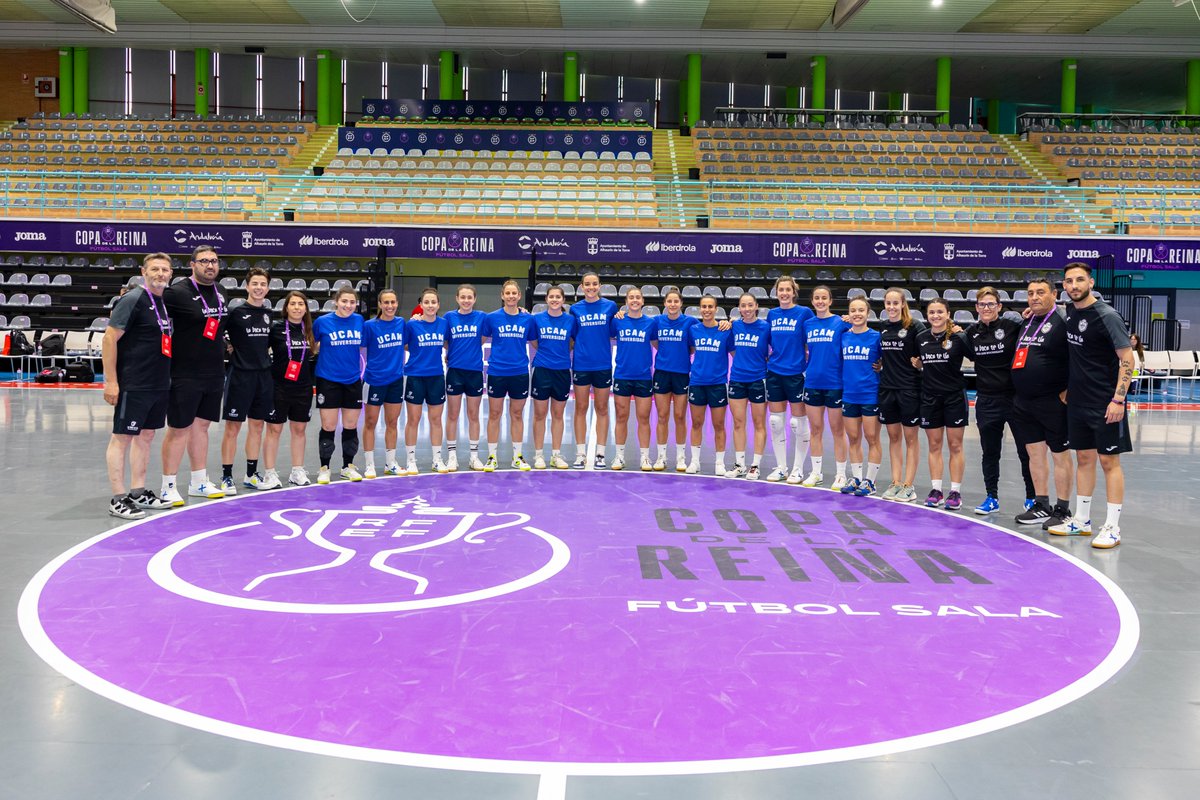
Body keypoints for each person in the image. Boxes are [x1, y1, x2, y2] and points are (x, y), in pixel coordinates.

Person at [1049, 262, 1134, 549]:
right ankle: (1082, 520)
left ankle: (1112, 526)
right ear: (1064, 285)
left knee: (1109, 462)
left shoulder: (1107, 315)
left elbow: (1127, 359)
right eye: (1069, 281)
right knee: (1084, 459)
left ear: (1091, 282)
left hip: (1106, 403)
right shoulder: (1071, 311)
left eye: (1080, 280)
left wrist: (1118, 399)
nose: (1074, 285)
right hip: (1078, 402)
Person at [101, 252, 175, 519]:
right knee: (122, 438)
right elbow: (110, 339)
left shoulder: (163, 303)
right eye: (155, 269)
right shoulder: (132, 299)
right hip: (134, 383)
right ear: (144, 272)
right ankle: (118, 498)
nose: (160, 274)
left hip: (158, 383)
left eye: (165, 270)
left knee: (146, 437)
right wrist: (111, 381)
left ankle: (138, 491)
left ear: (170, 274)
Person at [159, 246, 228, 506]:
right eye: (203, 261)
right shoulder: (177, 292)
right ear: (192, 264)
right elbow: (152, 310)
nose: (209, 266)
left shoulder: (221, 291)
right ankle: (168, 486)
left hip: (214, 370)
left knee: (202, 427)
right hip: (185, 372)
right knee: (179, 429)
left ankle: (199, 481)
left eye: (213, 261)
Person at [964, 286, 1035, 515]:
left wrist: (1030, 313)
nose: (986, 308)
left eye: (991, 304)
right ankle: (991, 497)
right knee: (990, 452)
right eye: (982, 305)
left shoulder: (1012, 326)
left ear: (999, 307)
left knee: (1026, 451)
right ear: (976, 307)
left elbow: (1037, 325)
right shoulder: (971, 333)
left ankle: (1032, 498)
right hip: (987, 400)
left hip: (1015, 398)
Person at [1010, 276, 1074, 529]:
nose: (1034, 297)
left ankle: (1063, 509)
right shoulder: (1027, 321)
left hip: (1052, 401)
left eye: (1040, 292)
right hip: (1024, 402)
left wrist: (1068, 391)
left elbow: (1078, 358)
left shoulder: (1063, 321)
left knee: (1060, 455)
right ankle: (1041, 504)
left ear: (1054, 294)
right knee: (1034, 454)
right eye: (1030, 293)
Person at [218, 266, 275, 494]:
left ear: (268, 288)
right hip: (239, 375)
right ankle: (226, 476)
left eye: (263, 284)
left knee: (257, 427)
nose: (259, 288)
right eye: (255, 284)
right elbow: (216, 333)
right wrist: (227, 349)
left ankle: (251, 474)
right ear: (247, 286)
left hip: (263, 377)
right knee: (232, 427)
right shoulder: (235, 312)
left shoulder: (269, 315)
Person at [912, 298, 970, 510]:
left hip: (954, 397)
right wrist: (918, 364)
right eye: (932, 312)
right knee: (934, 445)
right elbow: (915, 361)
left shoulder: (958, 336)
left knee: (955, 445)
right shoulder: (921, 338)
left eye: (940, 312)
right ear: (927, 316)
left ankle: (955, 492)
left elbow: (975, 356)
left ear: (948, 314)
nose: (935, 316)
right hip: (930, 398)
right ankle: (936, 489)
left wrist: (961, 333)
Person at [261, 290, 316, 488]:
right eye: (293, 304)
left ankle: (297, 470)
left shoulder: (309, 330)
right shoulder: (275, 328)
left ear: (305, 309)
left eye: (301, 304)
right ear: (286, 308)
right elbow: (259, 349)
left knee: (299, 429)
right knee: (274, 429)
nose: (297, 308)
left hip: (303, 387)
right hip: (279, 386)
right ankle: (269, 473)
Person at [877, 288, 925, 503]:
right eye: (888, 303)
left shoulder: (915, 327)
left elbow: (931, 348)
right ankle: (895, 482)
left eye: (896, 303)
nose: (892, 307)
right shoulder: (884, 328)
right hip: (888, 388)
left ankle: (909, 485)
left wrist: (921, 364)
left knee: (911, 438)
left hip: (909, 389)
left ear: (903, 304)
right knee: (894, 438)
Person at [765, 275, 814, 483]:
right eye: (780, 290)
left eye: (788, 289)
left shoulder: (804, 313)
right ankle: (781, 467)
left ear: (794, 292)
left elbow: (813, 337)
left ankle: (798, 468)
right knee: (776, 422)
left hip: (796, 373)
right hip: (775, 372)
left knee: (798, 423)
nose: (784, 293)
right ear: (776, 293)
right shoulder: (771, 314)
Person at [482, 280, 536, 471]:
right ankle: (491, 457)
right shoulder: (492, 318)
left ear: (519, 296)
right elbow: (478, 342)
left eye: (514, 293)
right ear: (502, 295)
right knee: (494, 414)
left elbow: (537, 344)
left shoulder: (527, 319)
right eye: (508, 293)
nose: (511, 296)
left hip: (520, 372)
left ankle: (517, 456)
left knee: (517, 414)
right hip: (497, 372)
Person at [312, 287, 364, 484]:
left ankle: (347, 466)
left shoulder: (359, 321)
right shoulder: (322, 322)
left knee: (350, 426)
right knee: (328, 425)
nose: (348, 306)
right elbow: (313, 345)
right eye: (344, 301)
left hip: (352, 380)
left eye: (352, 302)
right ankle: (324, 467)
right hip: (328, 379)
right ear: (336, 301)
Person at [800, 285, 850, 489]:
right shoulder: (807, 324)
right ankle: (816, 472)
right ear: (812, 302)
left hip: (835, 383)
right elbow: (804, 348)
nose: (820, 301)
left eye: (824, 298)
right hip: (812, 382)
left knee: (838, 431)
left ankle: (840, 474)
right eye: (817, 298)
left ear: (830, 301)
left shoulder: (840, 323)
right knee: (815, 430)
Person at [570, 272, 618, 469]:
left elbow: (615, 329)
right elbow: (572, 336)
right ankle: (580, 453)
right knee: (581, 408)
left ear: (600, 286)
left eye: (594, 284)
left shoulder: (610, 307)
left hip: (603, 365)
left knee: (602, 408)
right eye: (587, 284)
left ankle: (600, 453)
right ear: (582, 287)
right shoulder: (575, 309)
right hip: (581, 364)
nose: (591, 287)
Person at [839, 297, 883, 497]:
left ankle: (870, 481)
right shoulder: (844, 337)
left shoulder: (876, 337)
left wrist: (881, 365)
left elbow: (887, 360)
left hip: (870, 394)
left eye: (861, 310)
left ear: (868, 313)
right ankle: (856, 478)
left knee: (872, 437)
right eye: (853, 310)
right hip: (849, 394)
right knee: (853, 438)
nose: (857, 314)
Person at [403, 288, 450, 475]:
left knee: (436, 419)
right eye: (427, 302)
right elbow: (405, 344)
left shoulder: (444, 324)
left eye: (434, 302)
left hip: (436, 376)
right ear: (421, 305)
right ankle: (411, 460)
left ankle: (437, 459)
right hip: (415, 376)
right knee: (413, 419)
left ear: (438, 305)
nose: (430, 306)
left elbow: (448, 343)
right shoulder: (411, 325)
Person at [530, 284, 577, 469]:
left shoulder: (570, 321)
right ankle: (539, 455)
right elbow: (534, 342)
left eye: (558, 297)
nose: (555, 300)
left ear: (563, 300)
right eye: (552, 297)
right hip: (542, 370)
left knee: (558, 415)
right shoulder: (537, 320)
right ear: (546, 299)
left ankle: (556, 455)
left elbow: (573, 341)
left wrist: (561, 354)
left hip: (562, 371)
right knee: (540, 414)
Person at [610, 286, 657, 471]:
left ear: (643, 301)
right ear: (626, 301)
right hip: (622, 375)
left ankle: (645, 457)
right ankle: (619, 456)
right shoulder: (618, 321)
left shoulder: (650, 323)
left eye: (638, 297)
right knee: (621, 417)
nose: (635, 300)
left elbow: (656, 344)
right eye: (631, 297)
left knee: (643, 418)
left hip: (643, 377)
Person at [686, 295, 733, 475]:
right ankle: (695, 461)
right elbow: (690, 349)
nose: (707, 310)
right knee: (696, 423)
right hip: (697, 382)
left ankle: (719, 463)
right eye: (704, 307)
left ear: (716, 309)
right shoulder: (694, 330)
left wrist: (731, 322)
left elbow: (734, 353)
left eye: (710, 307)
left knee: (719, 424)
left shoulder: (724, 331)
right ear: (700, 309)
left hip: (718, 383)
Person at [650, 289, 697, 472]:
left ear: (681, 303)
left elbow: (692, 347)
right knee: (662, 416)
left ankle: (680, 457)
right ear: (664, 303)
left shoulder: (689, 322)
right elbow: (655, 343)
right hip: (662, 372)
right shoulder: (657, 322)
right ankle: (661, 457)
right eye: (669, 301)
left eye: (676, 301)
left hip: (682, 373)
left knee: (679, 416)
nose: (672, 304)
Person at [361, 289, 406, 478]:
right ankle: (369, 464)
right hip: (374, 381)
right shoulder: (370, 326)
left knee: (392, 422)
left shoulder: (402, 323)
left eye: (393, 302)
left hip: (396, 380)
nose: (390, 306)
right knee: (370, 422)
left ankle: (390, 463)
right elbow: (361, 349)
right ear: (380, 304)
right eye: (386, 302)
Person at [443, 284, 488, 471]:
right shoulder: (449, 317)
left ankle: (474, 457)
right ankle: (452, 456)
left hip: (475, 371)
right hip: (455, 371)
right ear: (457, 298)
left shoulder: (482, 317)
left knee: (473, 415)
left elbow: (482, 339)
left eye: (469, 297)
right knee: (453, 414)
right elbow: (445, 340)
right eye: (463, 297)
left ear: (474, 299)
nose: (466, 300)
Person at [728, 293, 770, 479]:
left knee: (758, 423)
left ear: (756, 306)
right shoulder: (733, 326)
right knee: (738, 423)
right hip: (737, 378)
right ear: (739, 308)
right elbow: (732, 350)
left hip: (758, 379)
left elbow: (777, 348)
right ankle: (739, 464)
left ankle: (755, 465)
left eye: (750, 305)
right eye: (743, 305)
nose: (746, 309)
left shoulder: (765, 327)